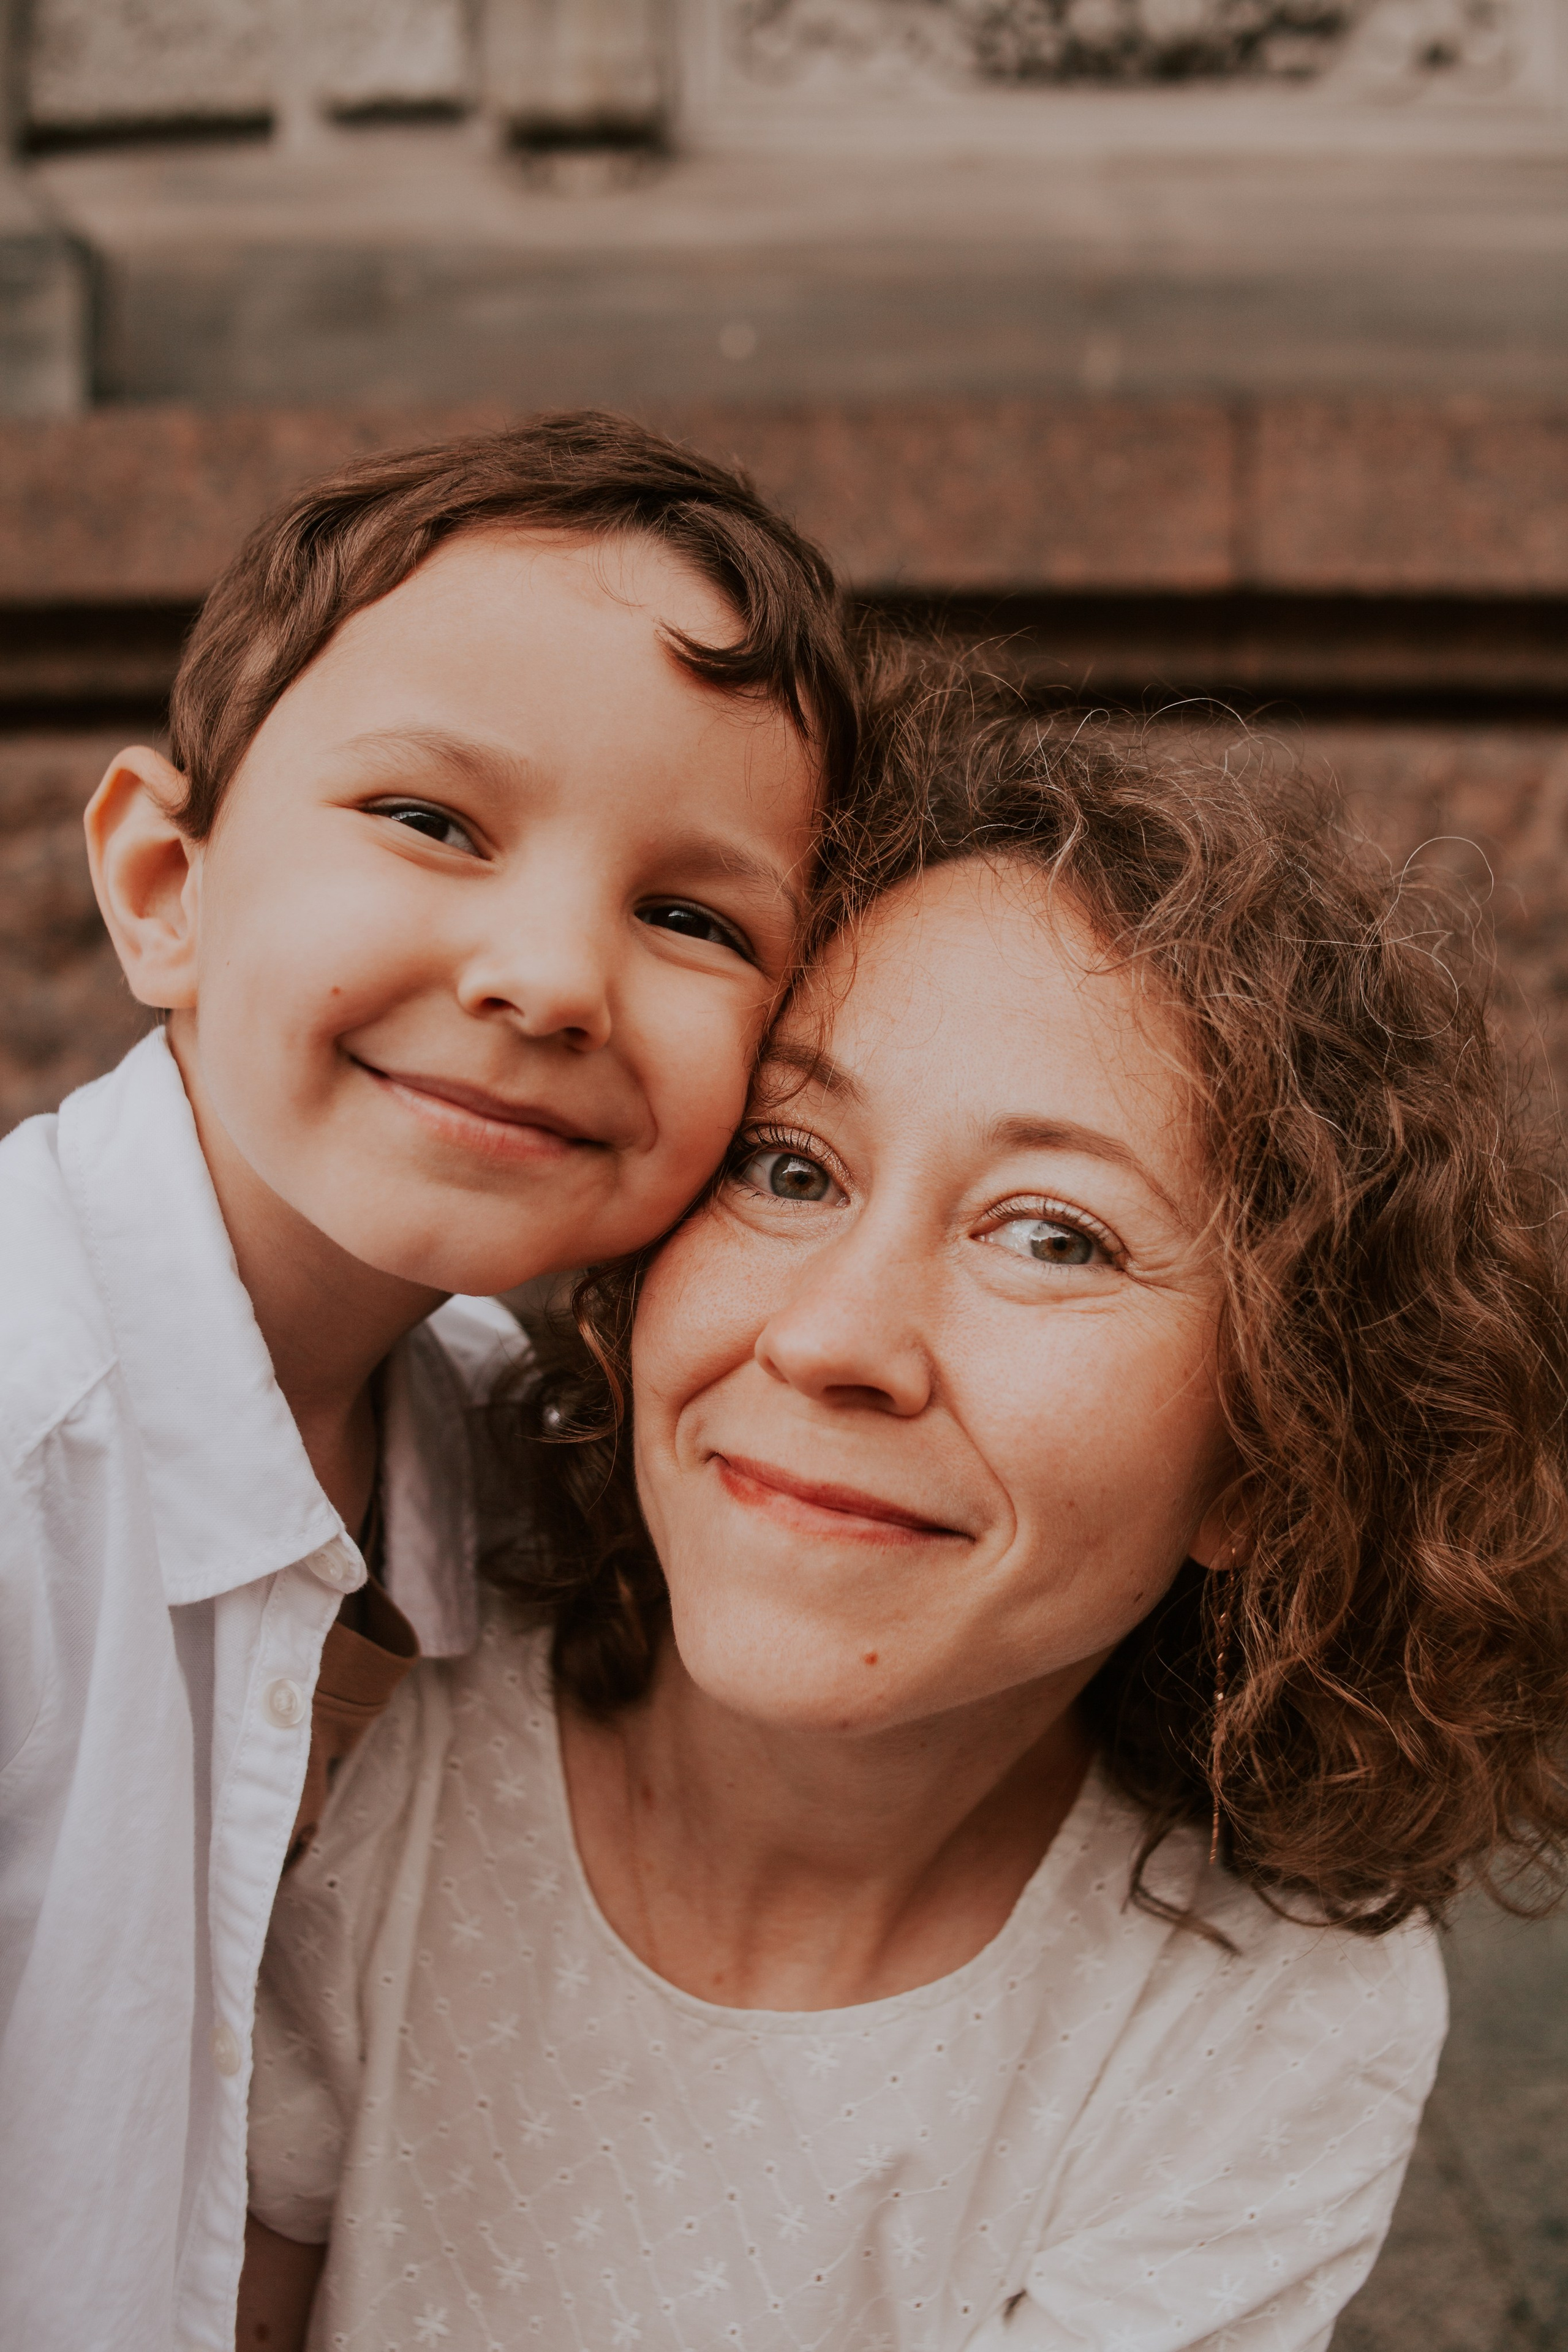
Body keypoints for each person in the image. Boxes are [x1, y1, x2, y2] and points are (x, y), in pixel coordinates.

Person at [243, 693, 1568, 2351]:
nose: (836, 1341)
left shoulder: (1252, 2021)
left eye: (1055, 1236)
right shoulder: (388, 1668)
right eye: (791, 1168)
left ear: (1269, 1455)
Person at [0, 412, 860, 2351]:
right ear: (163, 882)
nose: (551, 977)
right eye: (432, 823)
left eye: (692, 919)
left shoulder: (522, 1450)